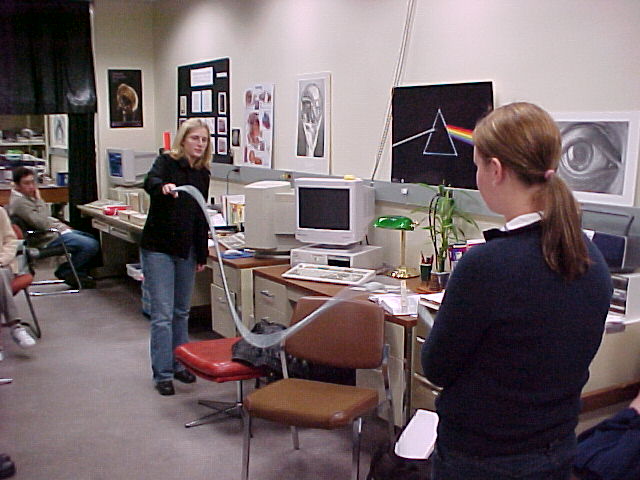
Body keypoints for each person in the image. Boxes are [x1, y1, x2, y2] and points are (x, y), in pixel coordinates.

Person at [421, 102, 613, 480]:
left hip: (482, 457)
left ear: (496, 170)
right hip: (556, 448)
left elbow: (437, 368)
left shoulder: (486, 266)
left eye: (477, 167)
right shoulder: (590, 258)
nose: (478, 177)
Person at [140, 118, 211, 396]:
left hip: (186, 250)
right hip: (159, 248)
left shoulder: (203, 174)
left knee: (181, 312)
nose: (200, 144)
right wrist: (163, 188)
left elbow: (200, 216)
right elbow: (150, 182)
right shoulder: (166, 162)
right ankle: (163, 373)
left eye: (204, 140)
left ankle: (180, 363)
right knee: (162, 314)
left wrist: (201, 253)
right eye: (195, 138)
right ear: (183, 140)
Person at [8, 167, 99, 289]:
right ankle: (67, 271)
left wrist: (61, 226)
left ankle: (76, 274)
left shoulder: (25, 197)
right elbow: (43, 223)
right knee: (91, 245)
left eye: (33, 182)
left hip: (49, 233)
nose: (31, 186)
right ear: (17, 185)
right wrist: (39, 200)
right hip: (43, 239)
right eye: (26, 183)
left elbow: (45, 218)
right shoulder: (20, 203)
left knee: (89, 237)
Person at [0, 206, 36, 360]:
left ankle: (15, 327)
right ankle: (15, 326)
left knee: (0, 275)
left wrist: (1, 260)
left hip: (2, 265)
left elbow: (10, 241)